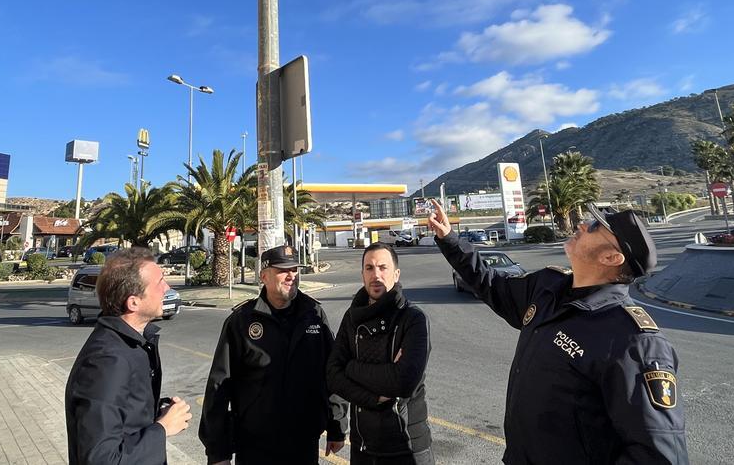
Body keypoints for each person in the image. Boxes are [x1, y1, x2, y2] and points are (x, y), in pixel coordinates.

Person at [427, 199, 687, 464]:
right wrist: (449, 239)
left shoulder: (633, 341)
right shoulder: (548, 286)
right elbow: (492, 284)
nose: (582, 224)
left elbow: (657, 454)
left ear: (611, 258)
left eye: (596, 226)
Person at [200, 245, 347, 464]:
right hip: (255, 446)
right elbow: (219, 387)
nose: (291, 276)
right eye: (283, 270)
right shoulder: (242, 321)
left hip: (303, 442)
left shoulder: (313, 314)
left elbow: (332, 372)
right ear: (264, 276)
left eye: (295, 270)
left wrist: (337, 425)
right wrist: (218, 452)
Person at [65, 248, 193, 464]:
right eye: (160, 282)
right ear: (133, 302)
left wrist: (155, 412)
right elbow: (101, 459)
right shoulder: (107, 361)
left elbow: (122, 417)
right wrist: (162, 429)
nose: (167, 288)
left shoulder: (132, 343)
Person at [327, 243, 433, 465]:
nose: (376, 275)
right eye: (369, 268)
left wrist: (352, 367)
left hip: (408, 448)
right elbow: (333, 376)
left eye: (383, 267)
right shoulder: (351, 318)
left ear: (396, 273)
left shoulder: (412, 319)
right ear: (362, 275)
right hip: (363, 447)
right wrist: (375, 397)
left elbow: (403, 382)